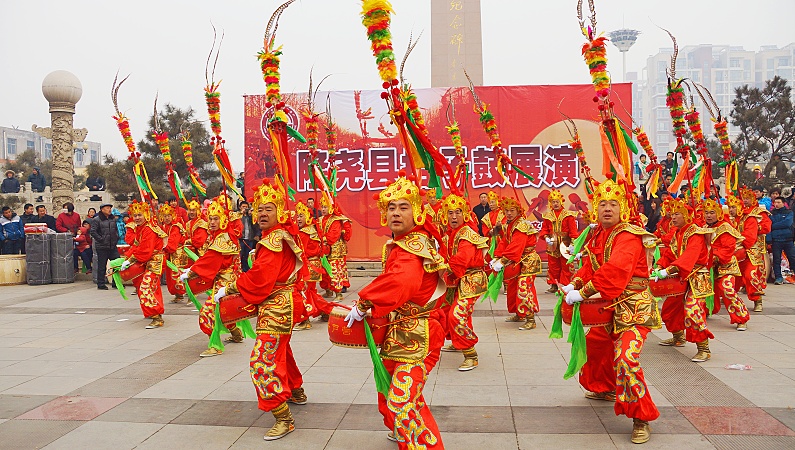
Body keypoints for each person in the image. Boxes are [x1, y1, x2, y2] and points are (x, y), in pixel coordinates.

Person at [346, 172, 446, 448]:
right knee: (391, 390)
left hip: (418, 335)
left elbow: (401, 283)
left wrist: (365, 301)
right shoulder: (402, 244)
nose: (396, 213)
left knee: (404, 400)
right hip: (399, 330)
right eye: (391, 207)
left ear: (417, 212)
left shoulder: (413, 246)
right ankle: (402, 433)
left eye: (404, 207)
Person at [563, 179, 661, 445]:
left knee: (625, 359)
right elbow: (591, 266)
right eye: (603, 203)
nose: (608, 208)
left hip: (633, 309)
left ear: (623, 207)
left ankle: (641, 417)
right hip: (609, 308)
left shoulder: (628, 235)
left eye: (613, 204)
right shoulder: (597, 235)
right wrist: (575, 283)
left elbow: (615, 270)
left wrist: (582, 294)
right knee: (596, 345)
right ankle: (605, 388)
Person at [214, 179, 308, 441]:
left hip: (276, 306)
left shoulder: (273, 240)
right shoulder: (274, 237)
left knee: (262, 361)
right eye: (260, 209)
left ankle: (282, 416)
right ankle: (296, 390)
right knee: (281, 350)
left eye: (269, 208)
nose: (263, 213)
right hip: (280, 303)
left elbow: (260, 279)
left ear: (280, 212)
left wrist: (231, 287)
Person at [654, 198, 715, 362]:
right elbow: (669, 254)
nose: (673, 218)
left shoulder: (695, 233)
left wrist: (669, 270)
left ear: (687, 216)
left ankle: (704, 348)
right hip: (680, 277)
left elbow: (690, 256)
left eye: (677, 214)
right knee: (670, 308)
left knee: (693, 310)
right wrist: (660, 267)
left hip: (696, 277)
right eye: (672, 214)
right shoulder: (677, 233)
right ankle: (678, 337)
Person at [182, 197, 244, 357]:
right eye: (210, 219)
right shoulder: (220, 236)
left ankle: (215, 345)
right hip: (226, 281)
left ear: (223, 219)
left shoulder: (223, 239)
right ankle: (236, 334)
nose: (212, 222)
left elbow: (211, 260)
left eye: (216, 219)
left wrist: (190, 272)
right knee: (223, 311)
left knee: (208, 312)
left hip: (226, 284)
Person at [439, 193, 488, 370]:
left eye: (458, 212)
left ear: (465, 214)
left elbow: (462, 258)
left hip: (470, 279)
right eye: (450, 213)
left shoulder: (467, 233)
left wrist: (442, 267)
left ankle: (470, 354)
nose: (453, 216)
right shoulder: (450, 234)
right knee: (445, 311)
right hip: (456, 278)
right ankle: (456, 341)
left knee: (457, 314)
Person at [492, 196, 542, 330]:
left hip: (528, 260)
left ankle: (530, 318)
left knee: (524, 287)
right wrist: (497, 256)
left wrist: (502, 260)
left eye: (512, 210)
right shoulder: (509, 224)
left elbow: (516, 246)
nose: (509, 213)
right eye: (506, 210)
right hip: (517, 260)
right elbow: (505, 242)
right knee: (513, 287)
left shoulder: (521, 225)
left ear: (518, 211)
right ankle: (519, 313)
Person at [118, 200, 167, 329]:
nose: (137, 218)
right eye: (135, 215)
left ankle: (157, 317)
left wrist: (130, 260)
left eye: (140, 215)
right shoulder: (141, 228)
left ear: (146, 214)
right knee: (150, 287)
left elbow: (145, 250)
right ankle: (153, 312)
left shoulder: (148, 229)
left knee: (146, 287)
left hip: (154, 262)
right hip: (148, 260)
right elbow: (136, 246)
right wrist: (126, 259)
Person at [703, 198, 749, 330]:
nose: (709, 215)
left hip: (725, 266)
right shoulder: (704, 227)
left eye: (712, 212)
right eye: (706, 213)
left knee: (727, 290)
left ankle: (741, 318)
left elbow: (728, 248)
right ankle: (703, 312)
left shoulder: (726, 228)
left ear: (718, 213)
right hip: (709, 266)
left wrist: (714, 255)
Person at [730, 188, 772, 312]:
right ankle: (730, 295)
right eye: (744, 198)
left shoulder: (756, 213)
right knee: (732, 276)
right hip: (736, 251)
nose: (745, 201)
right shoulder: (733, 218)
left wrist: (756, 229)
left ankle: (757, 299)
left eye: (748, 198)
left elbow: (765, 227)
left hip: (752, 249)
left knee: (751, 275)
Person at [293, 200, 330, 331]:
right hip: (313, 265)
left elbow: (301, 252)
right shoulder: (311, 230)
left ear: (308, 217)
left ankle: (305, 319)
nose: (298, 218)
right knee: (311, 292)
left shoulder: (304, 233)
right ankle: (327, 311)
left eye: (301, 216)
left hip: (308, 267)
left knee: (303, 293)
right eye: (297, 216)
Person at [538, 189, 580, 294]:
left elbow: (573, 230)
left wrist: (573, 244)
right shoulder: (548, 216)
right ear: (550, 203)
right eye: (553, 202)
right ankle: (554, 284)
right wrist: (546, 237)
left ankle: (566, 284)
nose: (555, 204)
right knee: (553, 266)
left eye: (557, 201)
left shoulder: (568, 215)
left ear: (561, 201)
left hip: (565, 244)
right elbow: (544, 229)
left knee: (566, 265)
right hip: (552, 243)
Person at [318, 195, 352, 302]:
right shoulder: (320, 219)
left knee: (334, 271)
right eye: (322, 207)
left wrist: (322, 239)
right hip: (323, 249)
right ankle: (328, 290)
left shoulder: (335, 220)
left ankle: (338, 293)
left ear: (331, 208)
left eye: (325, 207)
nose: (323, 209)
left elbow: (334, 235)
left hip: (335, 250)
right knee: (324, 270)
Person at [158, 204, 186, 304]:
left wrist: (165, 247)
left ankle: (184, 293)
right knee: (171, 275)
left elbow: (173, 241)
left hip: (177, 254)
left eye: (168, 215)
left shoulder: (176, 226)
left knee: (178, 274)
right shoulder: (163, 227)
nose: (166, 218)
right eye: (164, 216)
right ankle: (178, 294)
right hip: (169, 253)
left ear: (172, 215)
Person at [89, 203, 119, 290]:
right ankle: (101, 283)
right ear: (102, 209)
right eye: (107, 208)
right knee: (102, 265)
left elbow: (115, 230)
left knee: (117, 264)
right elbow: (93, 232)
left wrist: (116, 238)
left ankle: (116, 282)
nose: (109, 210)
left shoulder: (112, 219)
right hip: (102, 246)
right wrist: (101, 239)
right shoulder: (97, 219)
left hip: (112, 245)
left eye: (110, 208)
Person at [769, 197, 795, 285]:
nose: (776, 204)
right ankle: (778, 277)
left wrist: (775, 225)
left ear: (783, 203)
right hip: (776, 240)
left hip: (788, 239)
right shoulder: (771, 214)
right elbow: (769, 225)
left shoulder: (789, 212)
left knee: (792, 257)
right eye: (775, 202)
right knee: (776, 260)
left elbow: (788, 223)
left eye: (778, 202)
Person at [238, 201, 258, 272]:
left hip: (249, 239)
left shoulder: (250, 217)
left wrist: (252, 216)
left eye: (246, 207)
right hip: (241, 239)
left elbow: (256, 226)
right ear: (240, 207)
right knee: (240, 256)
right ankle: (239, 269)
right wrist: (241, 213)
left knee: (247, 256)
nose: (245, 208)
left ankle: (246, 270)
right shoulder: (238, 216)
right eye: (243, 207)